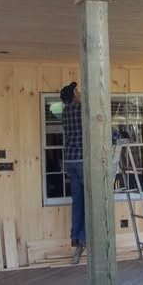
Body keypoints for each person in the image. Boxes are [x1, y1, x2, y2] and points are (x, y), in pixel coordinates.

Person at [60, 81, 86, 265]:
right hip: (83, 161)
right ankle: (84, 240)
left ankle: (75, 238)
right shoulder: (80, 109)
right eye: (77, 91)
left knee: (77, 201)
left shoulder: (65, 112)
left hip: (69, 160)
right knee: (90, 203)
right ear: (74, 95)